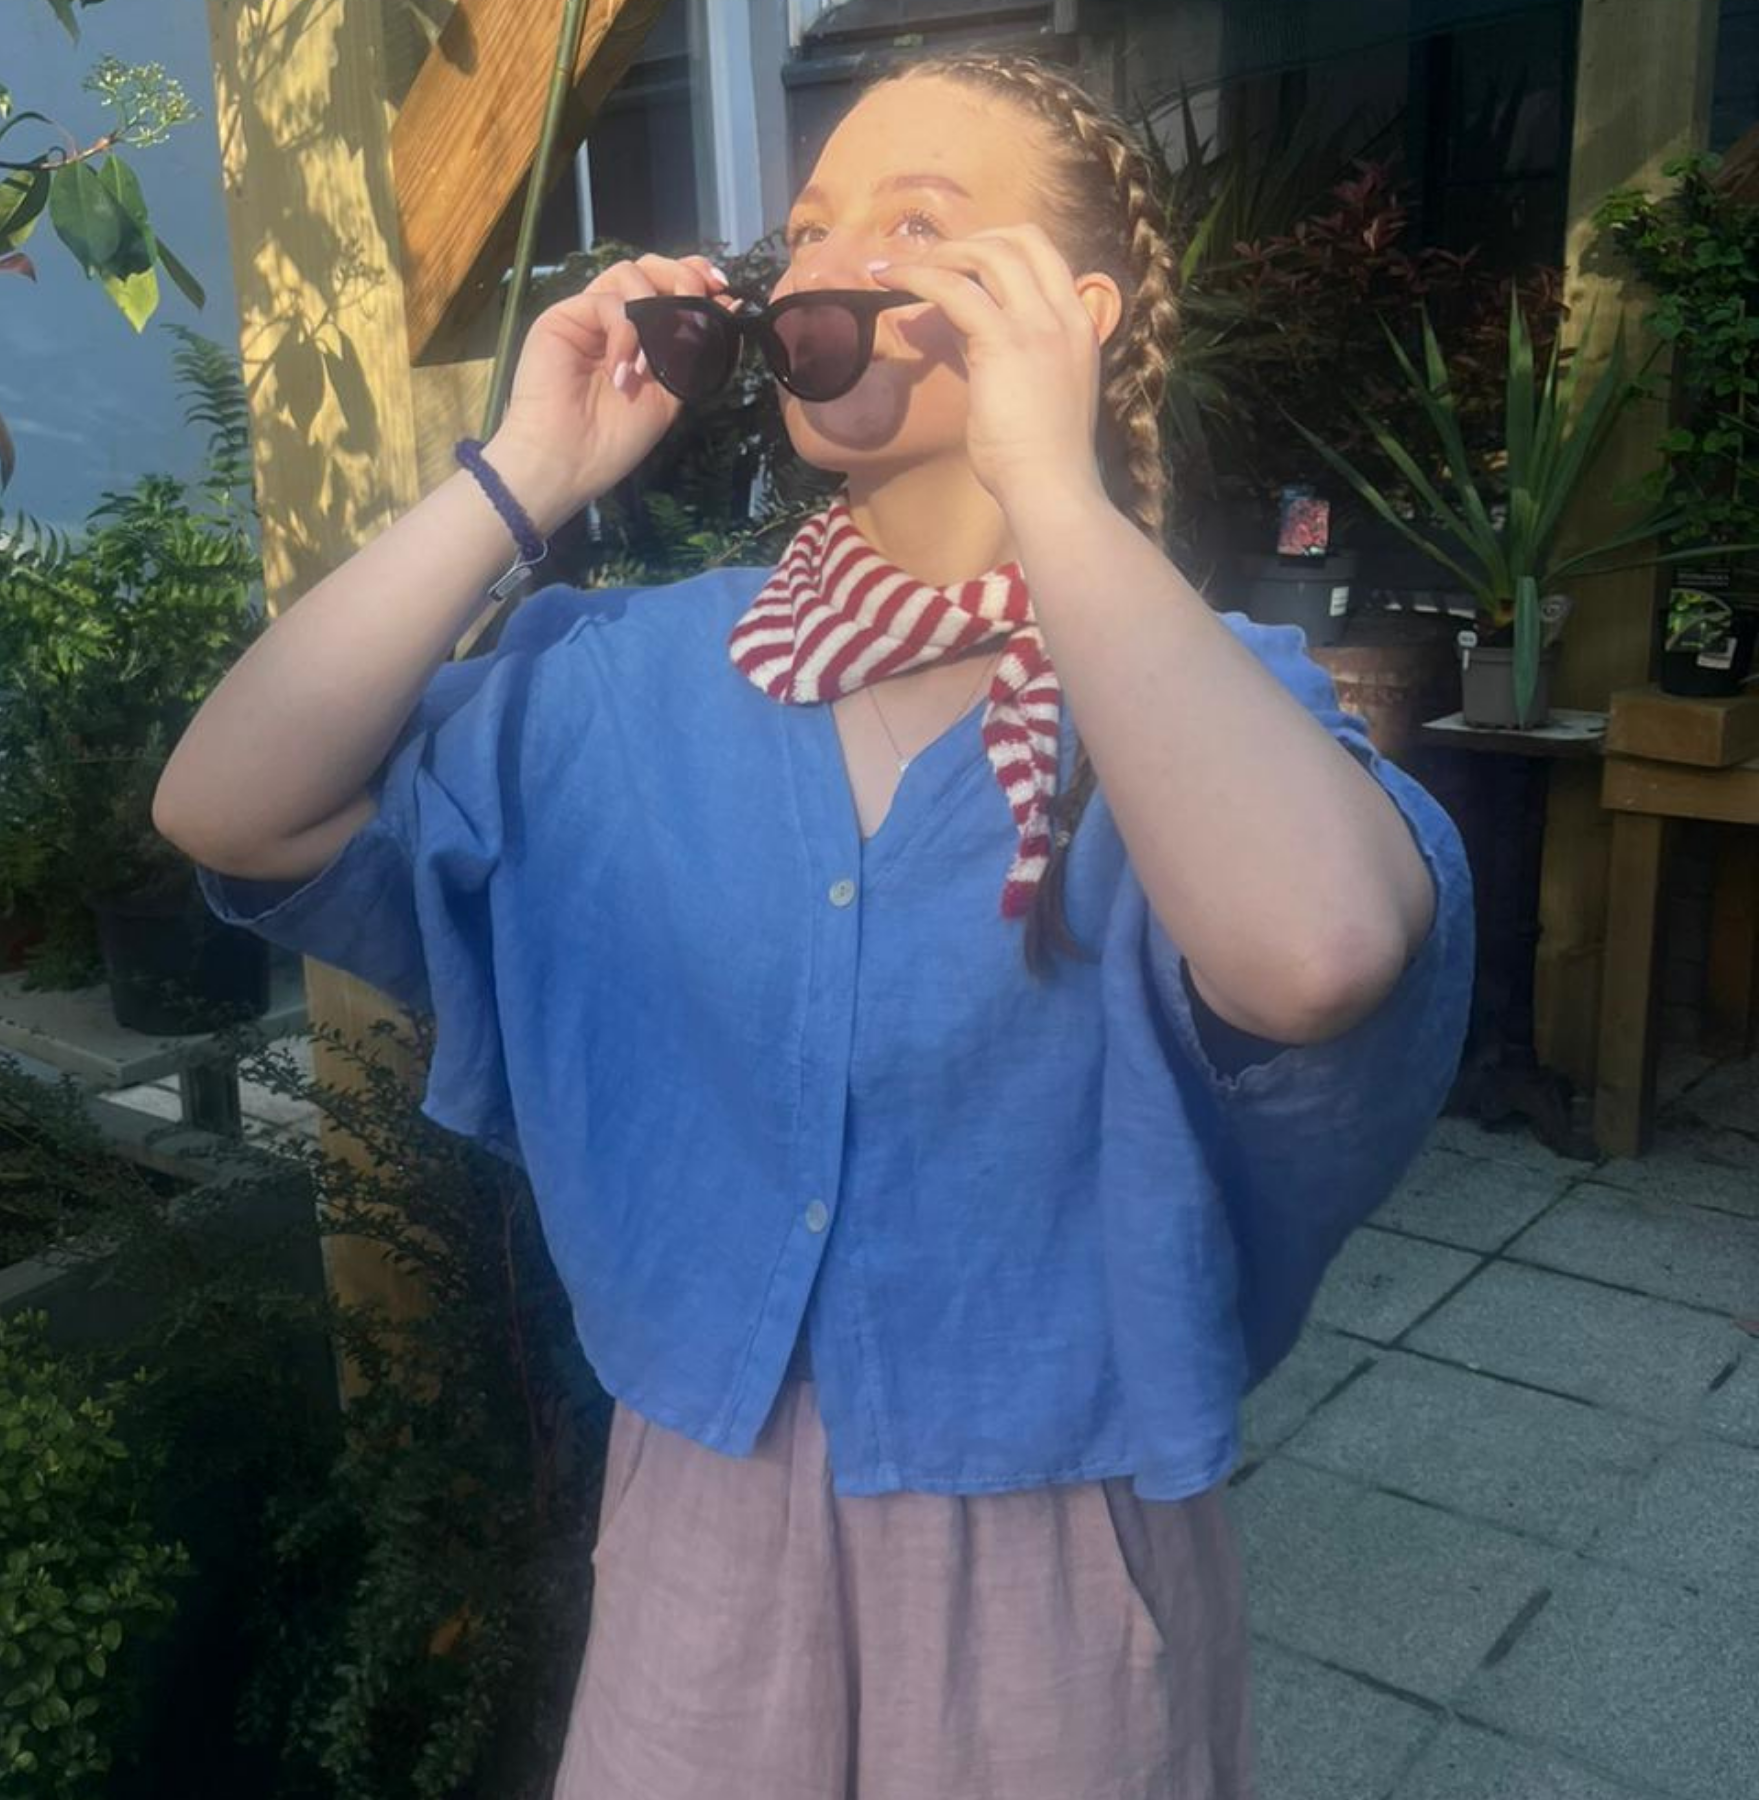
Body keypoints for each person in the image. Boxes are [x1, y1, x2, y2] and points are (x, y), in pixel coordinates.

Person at [154, 48, 1473, 1800]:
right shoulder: (627, 680)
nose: (831, 263)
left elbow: (1316, 954)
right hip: (701, 1532)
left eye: (918, 225)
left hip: (1054, 1561)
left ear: (1070, 316)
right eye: (814, 224)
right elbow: (225, 805)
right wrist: (525, 473)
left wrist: (1052, 485)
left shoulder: (1200, 712)